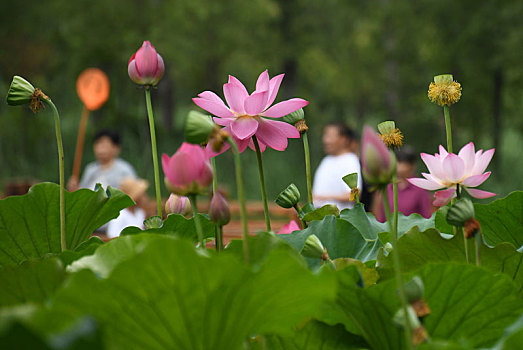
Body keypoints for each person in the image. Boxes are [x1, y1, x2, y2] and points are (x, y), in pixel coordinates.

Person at [373, 146, 433, 222]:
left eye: (403, 163)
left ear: (412, 166)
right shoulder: (386, 188)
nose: (400, 167)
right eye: (398, 162)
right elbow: (380, 218)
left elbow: (426, 217)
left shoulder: (420, 188)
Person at [312, 122, 362, 210]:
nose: (325, 140)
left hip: (339, 219)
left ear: (344, 139)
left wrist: (323, 198)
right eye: (325, 136)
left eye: (330, 136)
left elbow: (354, 195)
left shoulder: (350, 160)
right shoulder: (326, 161)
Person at [68, 129, 137, 191]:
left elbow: (133, 194)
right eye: (98, 144)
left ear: (116, 148)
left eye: (104, 145)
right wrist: (75, 189)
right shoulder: (90, 169)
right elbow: (83, 193)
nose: (100, 149)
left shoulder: (124, 169)